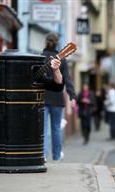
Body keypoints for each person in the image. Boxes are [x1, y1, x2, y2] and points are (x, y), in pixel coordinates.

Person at [42, 32, 76, 161]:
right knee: (56, 128)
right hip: (57, 98)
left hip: (43, 98)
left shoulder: (40, 57)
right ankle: (56, 156)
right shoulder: (61, 59)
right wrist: (72, 96)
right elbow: (67, 79)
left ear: (45, 42)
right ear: (57, 43)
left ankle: (44, 155)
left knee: (44, 129)